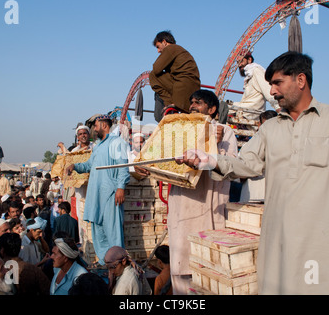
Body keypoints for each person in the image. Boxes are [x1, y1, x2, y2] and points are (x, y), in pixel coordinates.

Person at [176, 51, 329, 294]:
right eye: (271, 85)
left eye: (277, 83)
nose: (273, 92)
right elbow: (246, 164)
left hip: (323, 248)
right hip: (278, 247)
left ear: (300, 80)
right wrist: (211, 160)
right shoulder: (271, 129)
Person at [135, 89, 238, 294]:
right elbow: (159, 160)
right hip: (180, 209)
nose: (192, 106)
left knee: (206, 270)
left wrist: (214, 145)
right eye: (191, 102)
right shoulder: (180, 130)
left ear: (212, 109)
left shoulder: (224, 131)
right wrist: (143, 166)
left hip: (206, 208)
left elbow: (232, 169)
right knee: (181, 268)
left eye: (198, 103)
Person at [66, 115, 130, 265]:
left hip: (110, 194)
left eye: (95, 126)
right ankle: (104, 263)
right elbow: (89, 165)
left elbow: (123, 167)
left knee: (112, 231)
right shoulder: (98, 146)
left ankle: (117, 264)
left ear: (104, 126)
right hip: (96, 195)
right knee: (98, 231)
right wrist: (75, 166)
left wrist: (121, 187)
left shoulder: (117, 142)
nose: (94, 129)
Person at [149, 30, 201, 121]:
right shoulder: (181, 50)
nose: (158, 51)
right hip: (193, 89)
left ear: (164, 42)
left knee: (153, 75)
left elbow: (157, 68)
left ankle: (170, 102)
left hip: (181, 88)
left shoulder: (171, 48)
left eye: (158, 46)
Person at [239, 110, 278, 203]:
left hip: (263, 196)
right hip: (253, 196)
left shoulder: (248, 146)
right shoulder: (248, 146)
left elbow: (241, 173)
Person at [232, 52, 281, 120]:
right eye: (238, 62)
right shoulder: (250, 74)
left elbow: (268, 91)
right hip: (246, 110)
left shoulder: (256, 71)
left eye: (241, 61)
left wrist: (280, 111)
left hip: (251, 111)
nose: (239, 65)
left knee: (223, 107)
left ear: (249, 60)